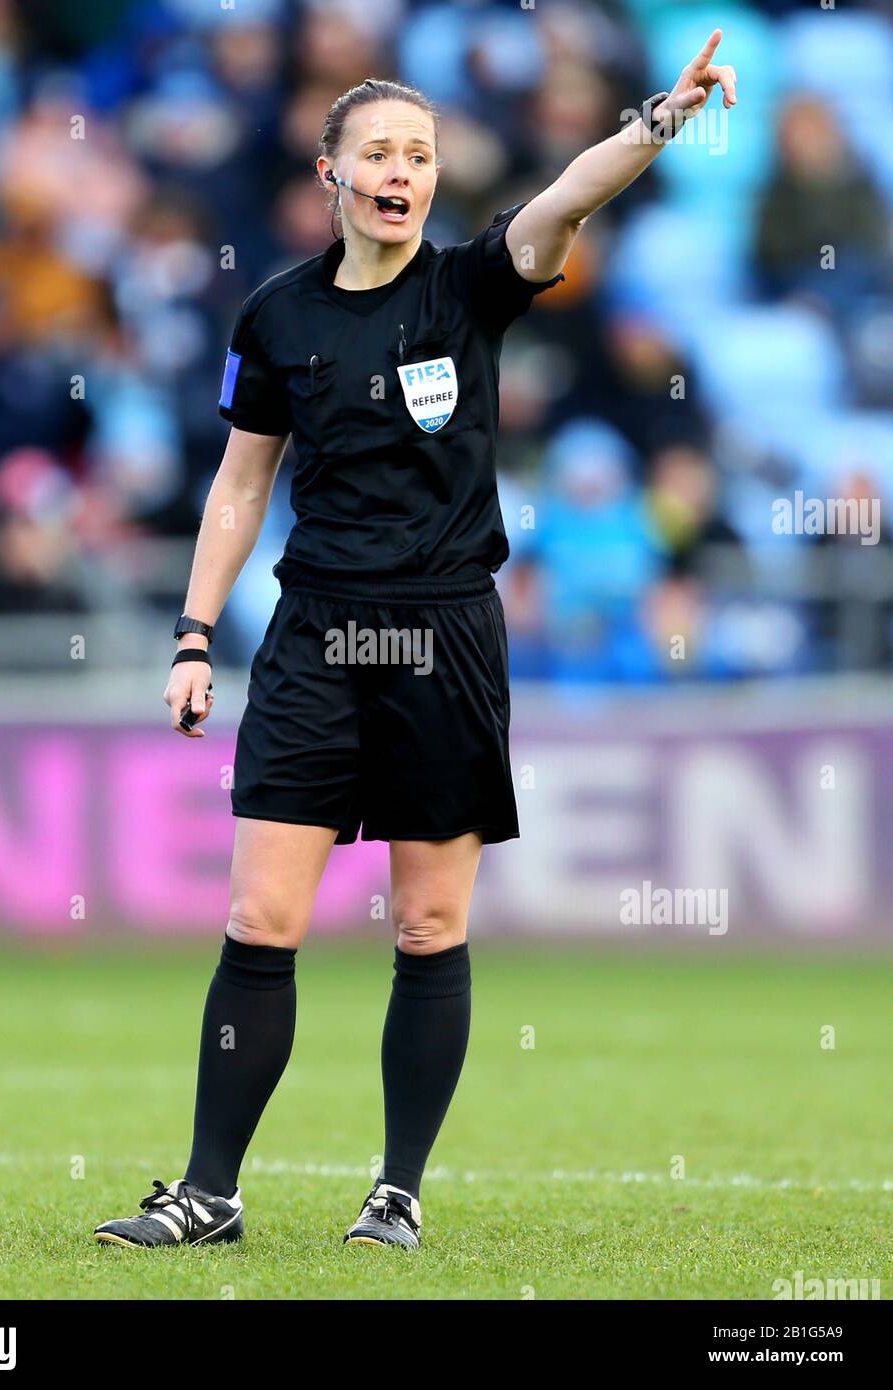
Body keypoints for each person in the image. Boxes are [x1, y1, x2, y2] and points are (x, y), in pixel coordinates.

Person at [94, 33, 737, 1252]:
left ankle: (395, 1192)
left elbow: (566, 193)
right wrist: (189, 633)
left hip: (445, 634)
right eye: (378, 152)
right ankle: (209, 1193)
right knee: (258, 920)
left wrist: (659, 119)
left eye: (421, 155)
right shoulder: (272, 316)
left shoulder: (471, 285)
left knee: (429, 927)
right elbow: (240, 487)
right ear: (330, 172)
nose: (403, 171)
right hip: (313, 634)